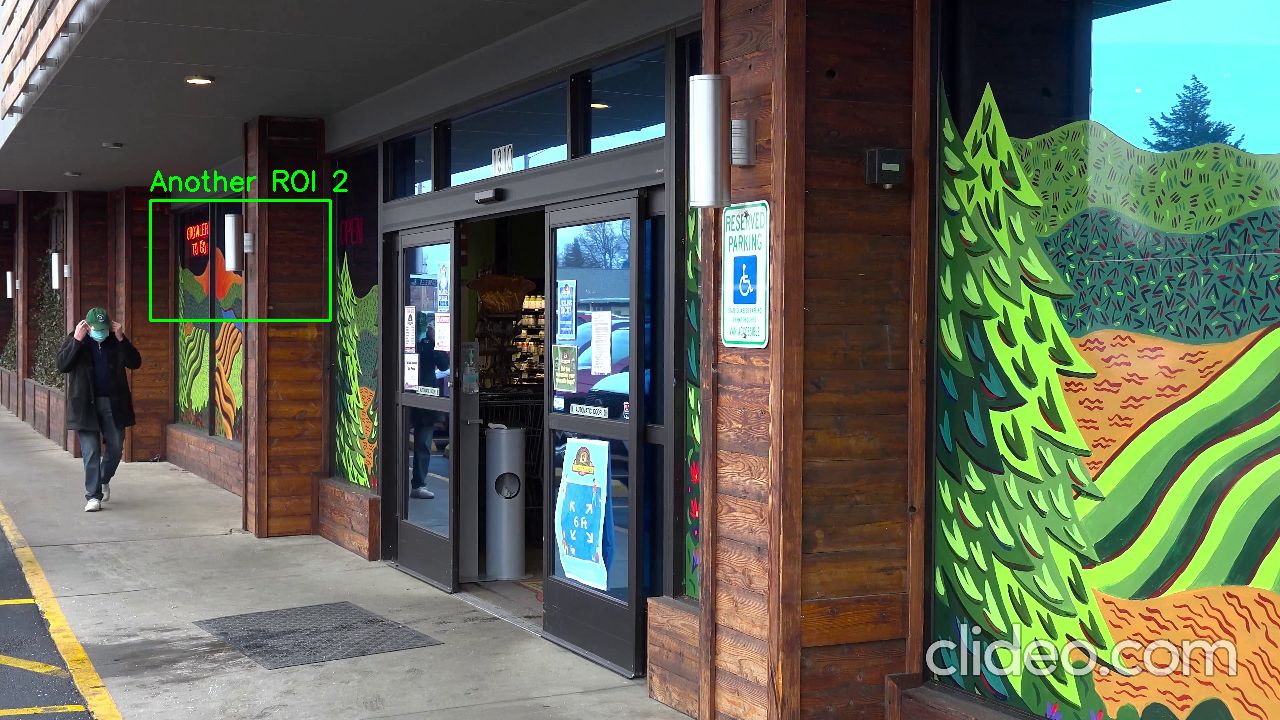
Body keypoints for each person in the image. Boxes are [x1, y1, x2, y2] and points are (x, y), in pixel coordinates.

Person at [55, 307, 142, 512]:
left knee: (116, 447)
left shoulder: (115, 340)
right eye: (97, 329)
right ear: (88, 326)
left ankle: (103, 479)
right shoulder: (77, 338)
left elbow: (135, 362)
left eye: (104, 329)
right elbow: (62, 365)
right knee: (91, 451)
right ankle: (93, 496)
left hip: (113, 403)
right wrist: (76, 341)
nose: (101, 333)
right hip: (85, 405)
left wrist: (121, 338)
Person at [409, 323, 449, 500]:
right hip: (414, 395)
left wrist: (435, 343)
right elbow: (443, 365)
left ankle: (418, 484)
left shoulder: (430, 345)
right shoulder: (421, 344)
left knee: (423, 443)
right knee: (422, 443)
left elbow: (443, 365)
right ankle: (416, 484)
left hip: (422, 397)